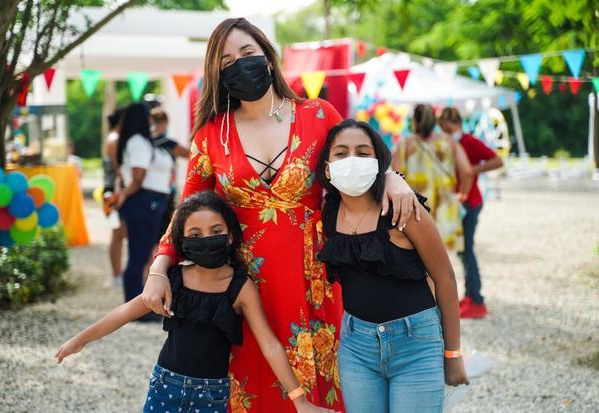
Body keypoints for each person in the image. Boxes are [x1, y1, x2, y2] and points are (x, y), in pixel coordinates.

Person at [141, 18, 423, 411]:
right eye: (226, 60)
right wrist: (159, 269)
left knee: (332, 386)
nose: (239, 63)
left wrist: (392, 176)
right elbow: (186, 210)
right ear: (217, 74)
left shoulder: (318, 115)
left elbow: (359, 157)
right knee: (257, 384)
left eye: (247, 53)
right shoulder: (211, 135)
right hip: (248, 286)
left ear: (268, 59)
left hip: (318, 276)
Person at [55, 191, 337, 413]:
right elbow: (125, 312)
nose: (207, 239)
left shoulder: (241, 288)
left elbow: (270, 344)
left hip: (212, 395)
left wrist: (300, 400)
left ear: (230, 235)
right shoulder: (173, 280)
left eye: (216, 231)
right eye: (195, 235)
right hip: (165, 386)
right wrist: (80, 340)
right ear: (182, 240)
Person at [315, 119, 469, 412]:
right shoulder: (329, 211)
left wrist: (453, 353)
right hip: (356, 347)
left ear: (378, 164)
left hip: (416, 345)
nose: (352, 161)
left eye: (363, 153)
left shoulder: (404, 209)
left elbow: (445, 277)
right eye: (341, 153)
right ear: (327, 168)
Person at [439, 107, 503, 319]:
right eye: (442, 130)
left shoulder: (469, 142)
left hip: (470, 202)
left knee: (467, 250)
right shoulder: (447, 144)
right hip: (456, 203)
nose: (446, 133)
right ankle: (470, 295)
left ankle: (476, 300)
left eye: (448, 129)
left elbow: (497, 160)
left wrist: (473, 170)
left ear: (457, 125)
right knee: (461, 251)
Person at [115, 103, 173, 310]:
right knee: (138, 256)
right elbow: (138, 176)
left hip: (149, 200)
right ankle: (134, 307)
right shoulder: (138, 141)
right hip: (143, 201)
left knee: (143, 253)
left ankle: (139, 304)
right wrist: (124, 194)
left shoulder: (140, 141)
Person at [393, 104, 472, 252]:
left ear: (414, 122)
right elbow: (467, 171)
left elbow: (397, 179)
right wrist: (463, 193)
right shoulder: (449, 142)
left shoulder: (404, 145)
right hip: (445, 206)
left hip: (416, 210)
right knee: (442, 258)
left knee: (419, 256)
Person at [149, 108, 190, 245]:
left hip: (148, 187)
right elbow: (191, 154)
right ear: (165, 122)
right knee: (163, 227)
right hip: (166, 188)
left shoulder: (146, 141)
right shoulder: (168, 143)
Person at [103, 108, 126, 287]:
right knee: (117, 233)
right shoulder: (115, 139)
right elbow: (118, 168)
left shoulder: (113, 137)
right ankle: (116, 274)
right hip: (113, 191)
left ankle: (117, 273)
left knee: (118, 232)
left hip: (112, 190)